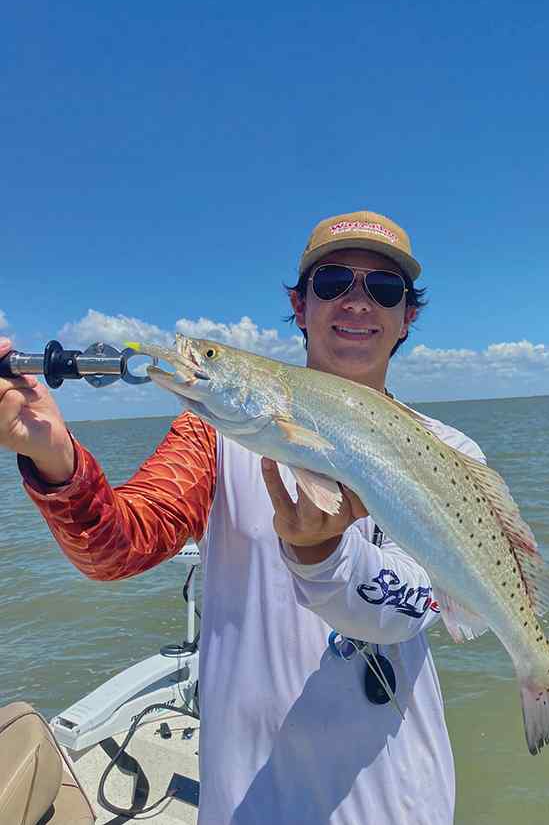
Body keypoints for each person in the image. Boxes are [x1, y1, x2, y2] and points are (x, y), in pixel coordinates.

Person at [0, 210, 486, 825]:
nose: (358, 301)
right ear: (300, 305)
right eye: (333, 281)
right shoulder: (214, 434)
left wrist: (324, 555)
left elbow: (417, 605)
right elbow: (116, 548)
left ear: (407, 316)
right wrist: (53, 456)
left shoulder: (451, 454)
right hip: (253, 801)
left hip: (404, 798)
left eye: (384, 288)